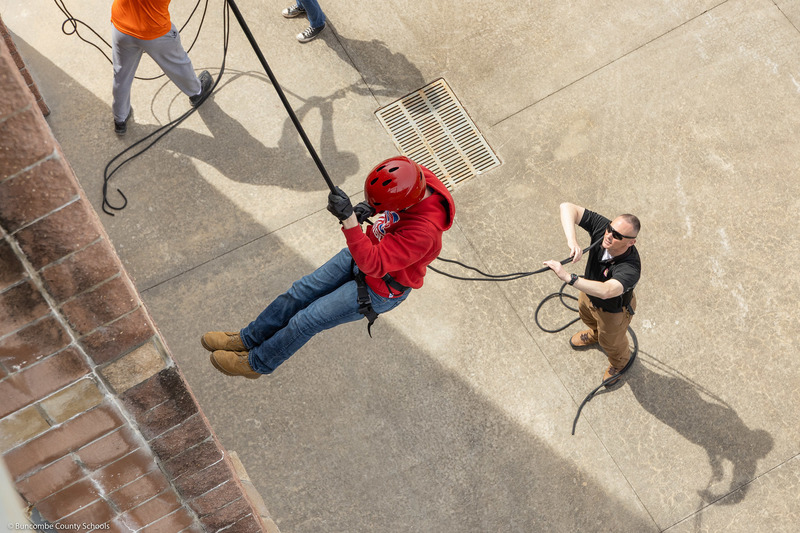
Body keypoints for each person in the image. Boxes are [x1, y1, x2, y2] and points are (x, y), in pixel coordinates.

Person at [201, 156, 456, 378]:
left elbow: (374, 264)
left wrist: (350, 222)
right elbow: (385, 206)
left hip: (380, 286)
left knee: (307, 319)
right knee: (299, 292)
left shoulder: (425, 233)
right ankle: (248, 338)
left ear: (405, 203)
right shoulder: (413, 176)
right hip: (364, 253)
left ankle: (257, 363)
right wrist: (370, 206)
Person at [543, 203, 641, 386]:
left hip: (613, 311)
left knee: (612, 342)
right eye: (610, 228)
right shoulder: (604, 230)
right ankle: (595, 333)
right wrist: (572, 241)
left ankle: (619, 364)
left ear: (631, 242)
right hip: (588, 292)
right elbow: (567, 207)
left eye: (617, 235)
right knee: (586, 315)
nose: (609, 235)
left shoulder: (630, 267)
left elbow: (607, 291)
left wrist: (568, 277)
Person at [111, 0, 214, 134]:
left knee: (121, 75)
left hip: (121, 25)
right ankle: (196, 92)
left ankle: (120, 119)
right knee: (180, 64)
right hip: (154, 30)